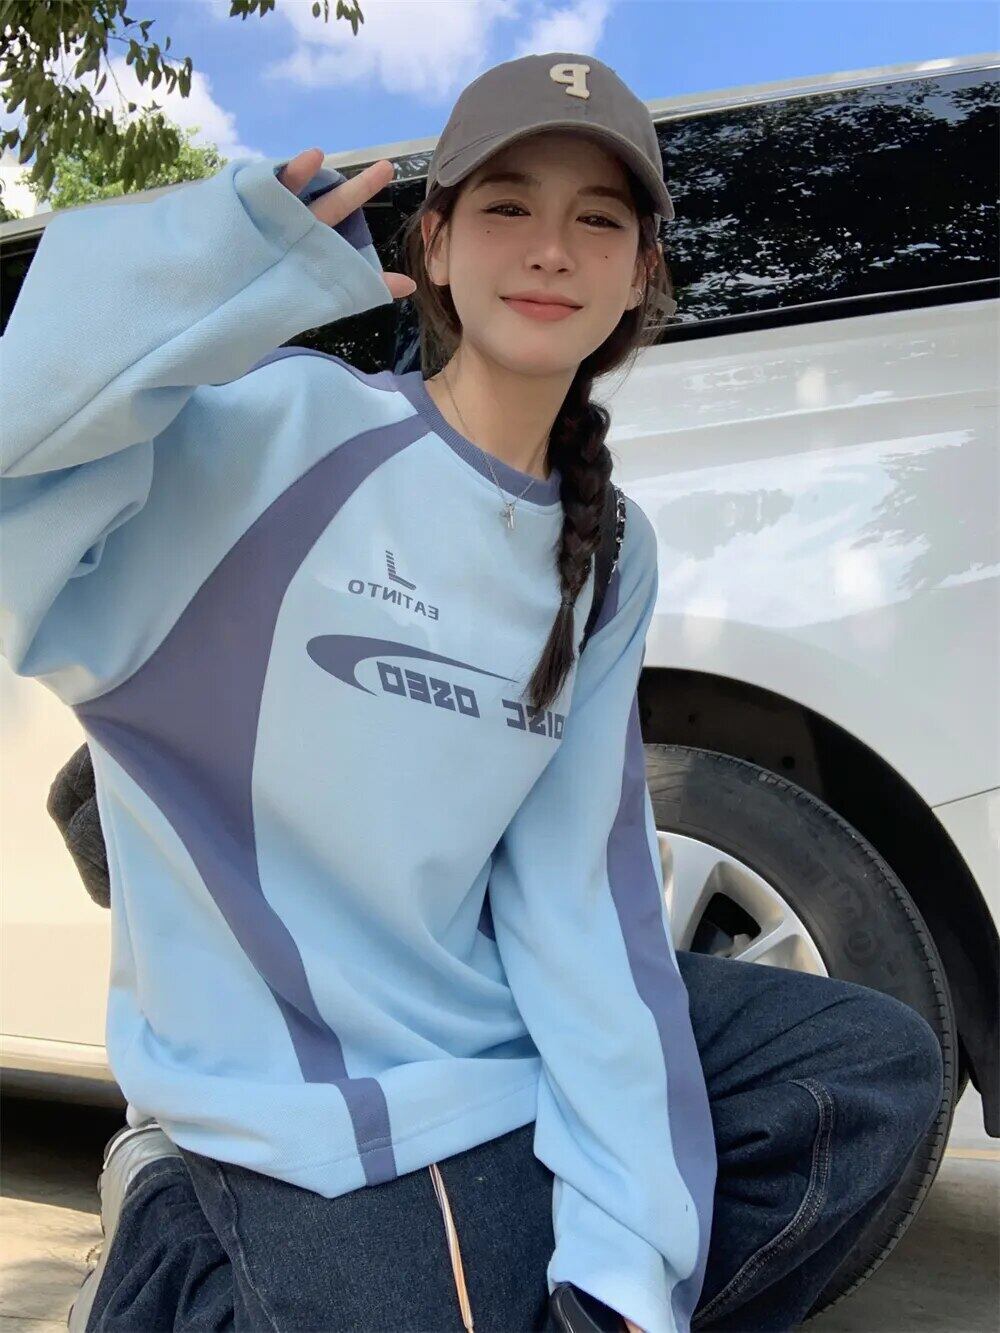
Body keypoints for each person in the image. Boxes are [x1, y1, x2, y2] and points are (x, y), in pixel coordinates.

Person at [0, 50, 943, 1333]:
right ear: (434, 244)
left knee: (867, 1069)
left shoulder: (612, 551)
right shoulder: (284, 433)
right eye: (507, 205)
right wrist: (212, 264)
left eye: (597, 219)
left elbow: (581, 896)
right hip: (296, 1100)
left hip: (489, 1052)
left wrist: (626, 1262)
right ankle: (185, 1236)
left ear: (640, 272)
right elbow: (22, 471)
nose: (551, 248)